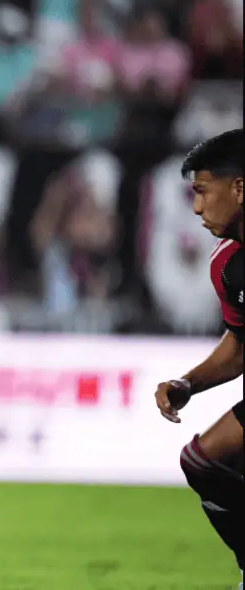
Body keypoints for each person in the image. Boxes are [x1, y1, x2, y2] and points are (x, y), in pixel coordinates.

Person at [155, 128, 243, 590]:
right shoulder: (228, 264)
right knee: (203, 462)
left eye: (203, 192)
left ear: (240, 188)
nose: (196, 207)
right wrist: (188, 384)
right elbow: (239, 345)